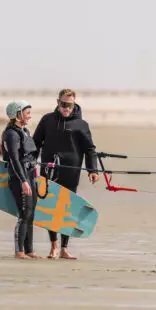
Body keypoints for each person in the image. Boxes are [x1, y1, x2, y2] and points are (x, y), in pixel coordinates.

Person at [32, 89, 99, 260]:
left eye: (69, 105)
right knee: (50, 205)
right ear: (57, 102)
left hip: (71, 170)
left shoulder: (81, 124)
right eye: (63, 104)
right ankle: (53, 246)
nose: (66, 108)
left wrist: (93, 170)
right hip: (49, 169)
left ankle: (64, 248)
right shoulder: (48, 120)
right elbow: (36, 143)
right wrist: (30, 163)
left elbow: (90, 149)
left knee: (66, 208)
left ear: (74, 104)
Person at [1, 100, 41, 260]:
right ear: (17, 115)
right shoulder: (11, 134)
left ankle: (29, 250)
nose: (30, 116)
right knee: (24, 213)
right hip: (19, 178)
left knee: (31, 213)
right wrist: (23, 181)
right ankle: (19, 251)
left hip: (30, 175)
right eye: (27, 113)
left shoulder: (24, 131)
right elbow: (14, 160)